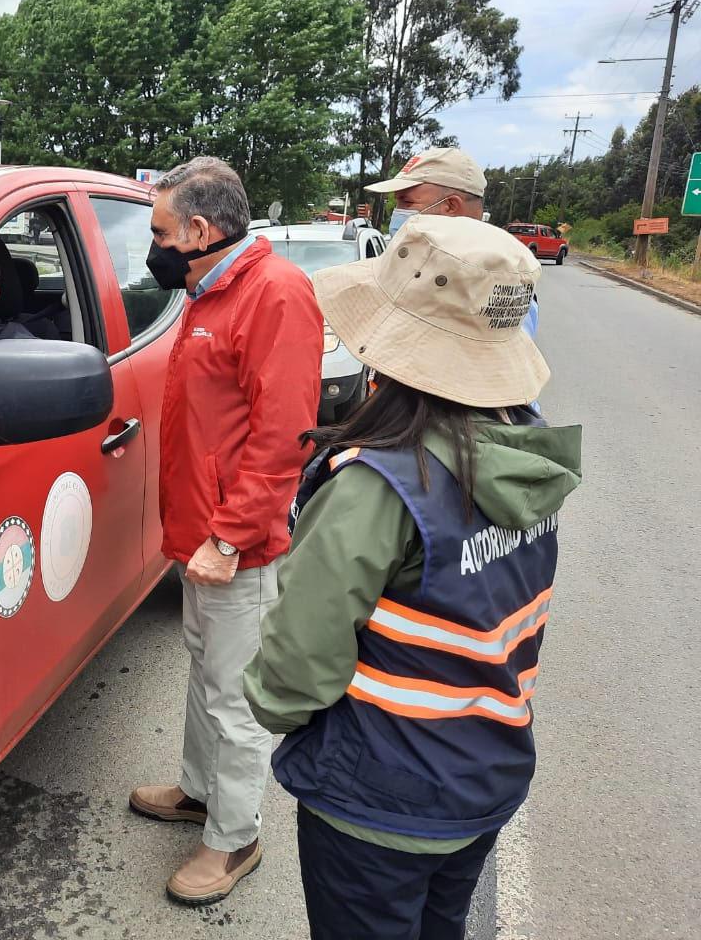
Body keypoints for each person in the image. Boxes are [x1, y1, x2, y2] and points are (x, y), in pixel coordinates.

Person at [243, 215, 582, 939]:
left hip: (380, 796)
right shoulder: (529, 451)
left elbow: (300, 655)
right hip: (486, 771)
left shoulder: (379, 482)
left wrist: (279, 714)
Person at [129, 156, 322, 905]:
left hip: (232, 544)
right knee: (206, 674)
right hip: (201, 536)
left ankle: (234, 837)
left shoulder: (274, 295)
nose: (154, 245)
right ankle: (200, 790)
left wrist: (229, 536)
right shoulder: (210, 290)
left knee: (235, 696)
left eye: (160, 230)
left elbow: (282, 438)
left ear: (201, 230)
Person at [367, 146, 541, 339]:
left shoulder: (499, 276)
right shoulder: (412, 264)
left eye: (406, 202)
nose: (397, 212)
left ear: (450, 206)